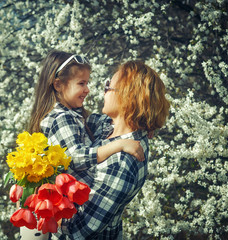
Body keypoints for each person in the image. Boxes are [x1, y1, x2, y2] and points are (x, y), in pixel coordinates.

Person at [18, 51, 145, 240]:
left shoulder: (74, 116)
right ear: (58, 85)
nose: (88, 89)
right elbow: (75, 157)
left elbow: (103, 122)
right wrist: (118, 145)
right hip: (70, 214)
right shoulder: (61, 119)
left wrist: (143, 122)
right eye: (81, 83)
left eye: (87, 83)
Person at [54, 60, 171, 239]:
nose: (103, 90)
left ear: (126, 96)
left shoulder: (122, 161)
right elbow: (77, 121)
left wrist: (41, 208)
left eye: (108, 86)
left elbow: (80, 230)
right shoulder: (109, 127)